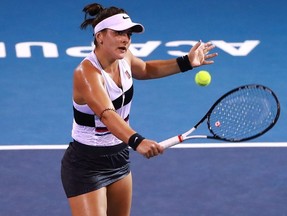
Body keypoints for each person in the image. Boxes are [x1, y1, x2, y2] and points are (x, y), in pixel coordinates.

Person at [61, 2, 218, 216]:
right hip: (86, 164)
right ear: (100, 37)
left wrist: (186, 62)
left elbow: (145, 69)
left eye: (128, 34)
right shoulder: (86, 73)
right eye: (118, 33)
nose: (125, 39)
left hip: (119, 158)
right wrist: (138, 141)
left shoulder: (124, 58)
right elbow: (107, 115)